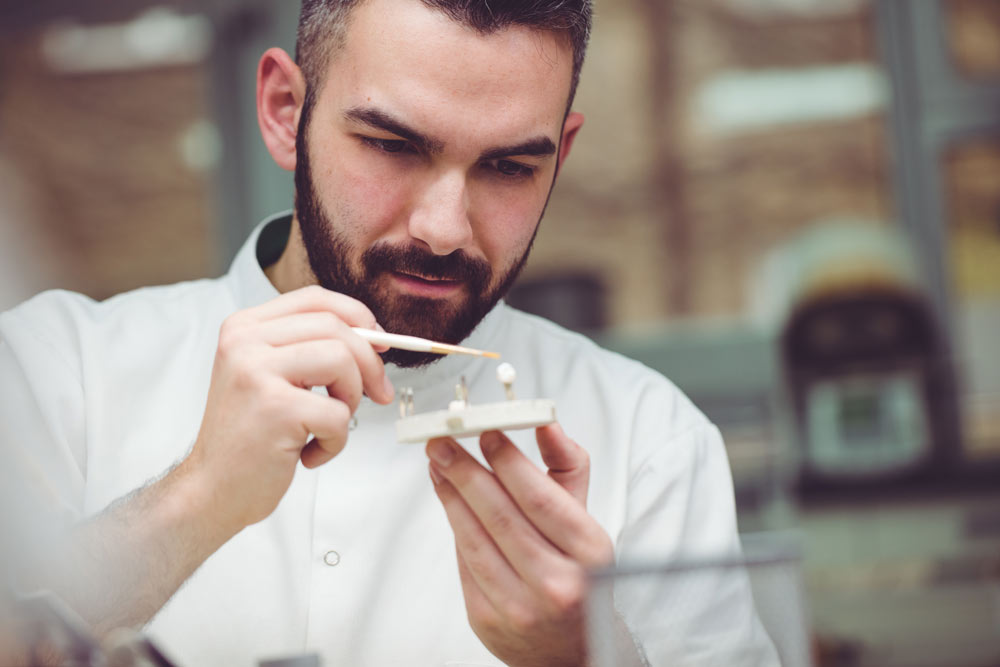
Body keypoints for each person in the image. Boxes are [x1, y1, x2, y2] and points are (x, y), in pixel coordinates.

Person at [0, 0, 777, 664]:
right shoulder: (53, 373)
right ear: (283, 111)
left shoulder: (651, 441)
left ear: (559, 155)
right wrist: (192, 499)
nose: (444, 229)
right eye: (393, 145)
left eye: (509, 166)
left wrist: (591, 652)